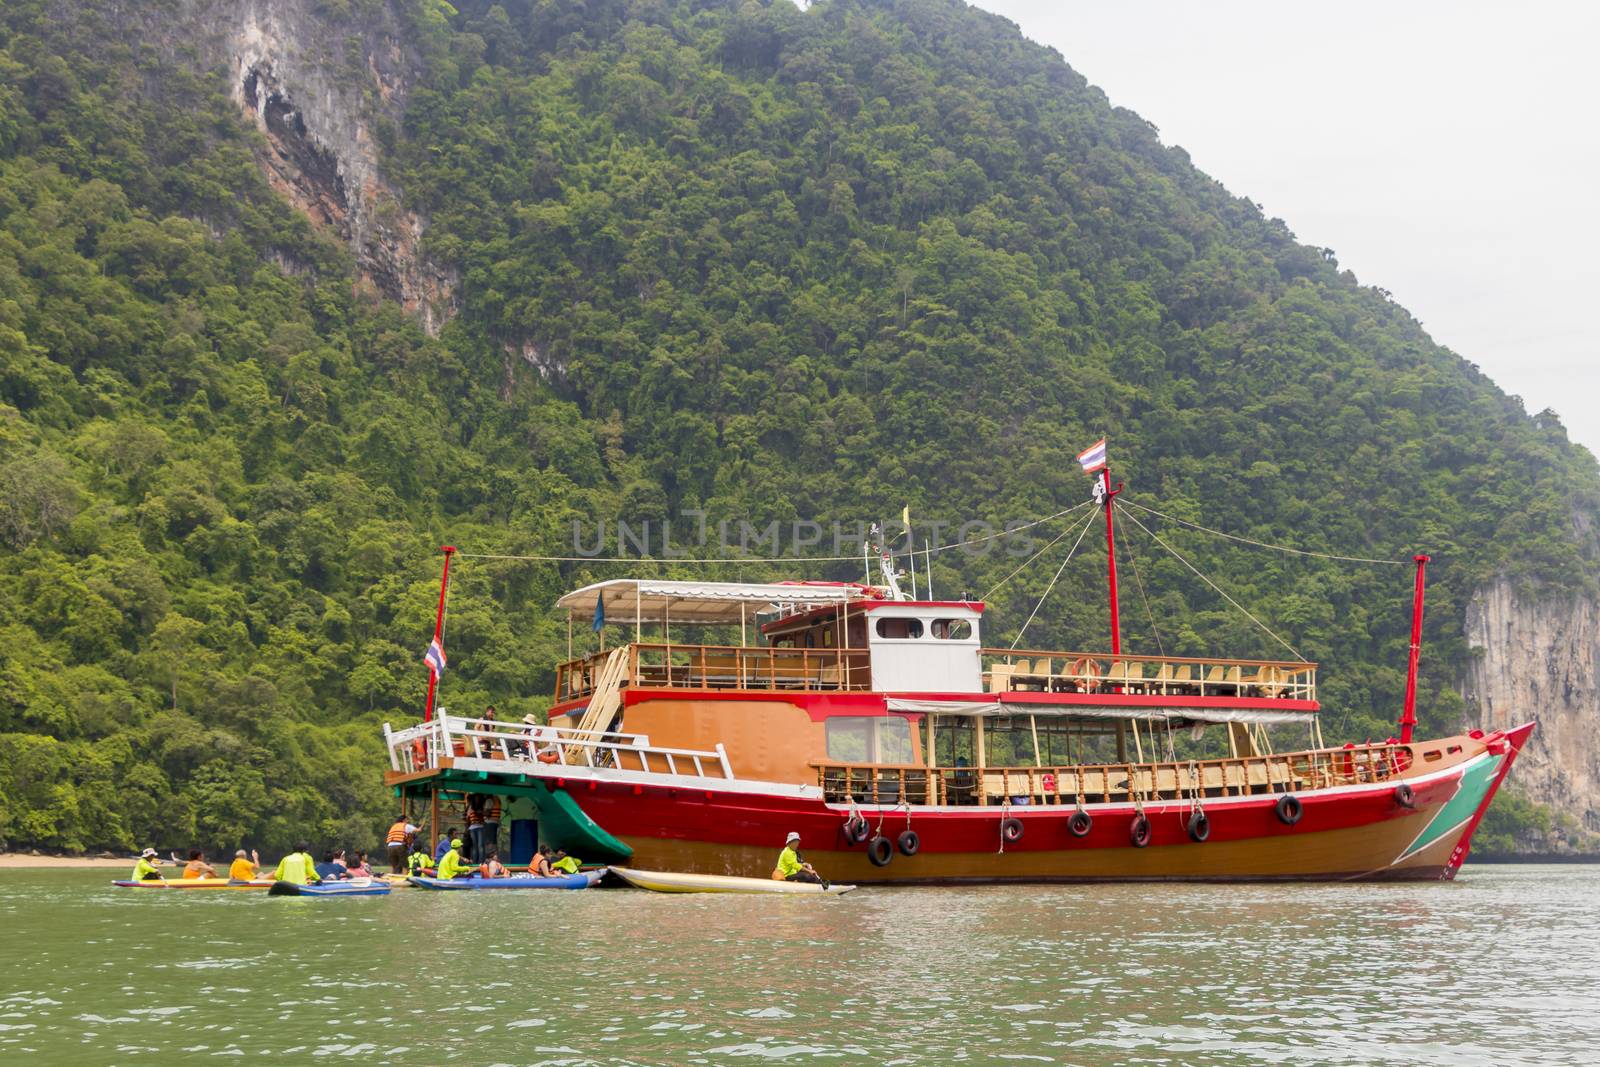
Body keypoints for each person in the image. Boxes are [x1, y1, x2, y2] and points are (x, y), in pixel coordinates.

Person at [465, 795, 487, 863]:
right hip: (476, 827)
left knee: (478, 846)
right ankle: (478, 862)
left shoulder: (473, 807)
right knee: (478, 846)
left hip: (476, 827)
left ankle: (478, 861)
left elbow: (468, 816)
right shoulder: (475, 807)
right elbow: (468, 816)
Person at [482, 795, 502, 862]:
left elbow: (487, 812)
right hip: (494, 822)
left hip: (490, 823)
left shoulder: (489, 800)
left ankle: (491, 859)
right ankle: (494, 858)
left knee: (490, 842)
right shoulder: (496, 799)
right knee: (493, 841)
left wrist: (481, 812)